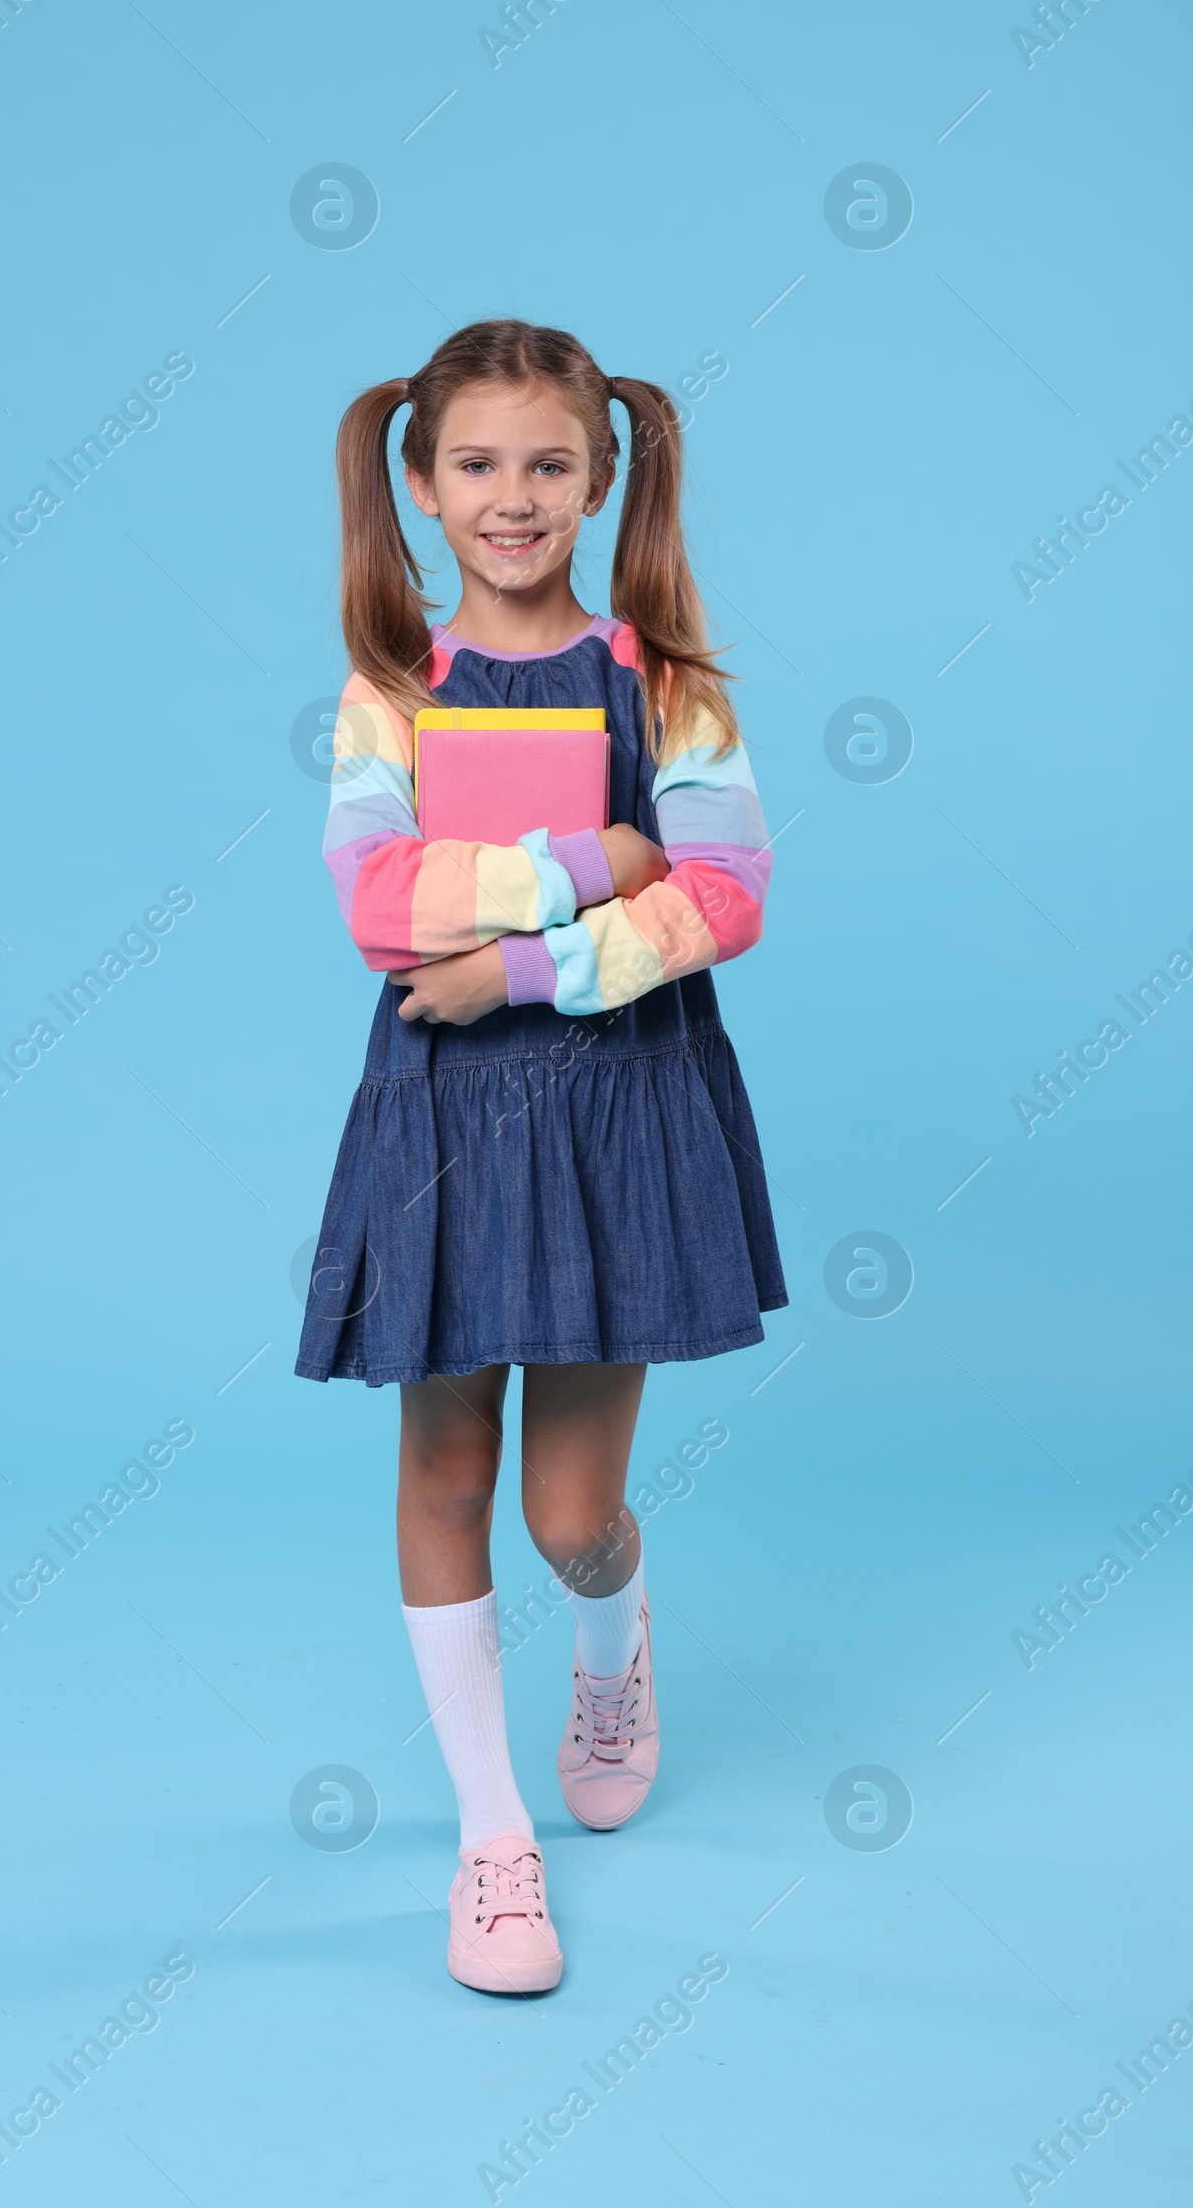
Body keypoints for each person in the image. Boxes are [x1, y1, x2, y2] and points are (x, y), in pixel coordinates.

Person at [296, 319, 785, 1992]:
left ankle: (611, 1638)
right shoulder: (389, 692)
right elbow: (376, 907)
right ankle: (492, 1840)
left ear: (600, 477)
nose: (515, 499)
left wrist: (512, 960)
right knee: (443, 1474)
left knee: (569, 1509)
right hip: (441, 1120)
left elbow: (721, 898)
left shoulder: (670, 682)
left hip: (617, 1104)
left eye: (548, 467)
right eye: (479, 466)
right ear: (424, 484)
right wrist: (591, 857)